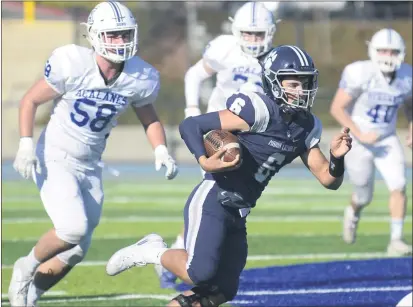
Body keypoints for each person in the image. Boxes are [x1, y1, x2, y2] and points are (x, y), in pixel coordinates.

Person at [105, 45, 353, 307]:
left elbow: (329, 179)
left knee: (222, 289)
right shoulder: (258, 108)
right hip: (215, 197)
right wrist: (204, 161)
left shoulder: (307, 125)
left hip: (240, 209)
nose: (301, 91)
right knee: (199, 272)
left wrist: (337, 158)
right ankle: (151, 251)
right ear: (274, 81)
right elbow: (192, 125)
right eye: (293, 83)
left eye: (306, 83)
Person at [8, 2, 178, 306]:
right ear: (96, 35)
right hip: (56, 155)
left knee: (75, 249)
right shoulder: (72, 62)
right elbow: (30, 100)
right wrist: (25, 144)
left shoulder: (140, 76)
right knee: (72, 228)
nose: (120, 41)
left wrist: (161, 148)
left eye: (124, 34)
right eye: (112, 35)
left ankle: (31, 295)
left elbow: (148, 116)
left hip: (89, 164)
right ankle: (25, 268)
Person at [157, 1, 277, 289]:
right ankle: (182, 259)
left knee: (231, 201)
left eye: (258, 34)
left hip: (251, 135)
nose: (252, 40)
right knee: (218, 197)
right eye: (247, 33)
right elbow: (194, 75)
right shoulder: (225, 48)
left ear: (271, 33)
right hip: (219, 133)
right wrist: (190, 111)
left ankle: (180, 250)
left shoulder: (276, 59)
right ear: (236, 30)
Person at [330, 28, 412, 256]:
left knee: (399, 185)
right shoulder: (360, 72)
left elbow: (410, 104)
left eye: (393, 51)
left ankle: (396, 240)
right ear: (373, 51)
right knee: (364, 195)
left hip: (387, 139)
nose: (388, 56)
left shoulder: (407, 75)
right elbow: (337, 108)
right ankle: (353, 211)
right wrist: (360, 133)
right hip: (359, 141)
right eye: (383, 51)